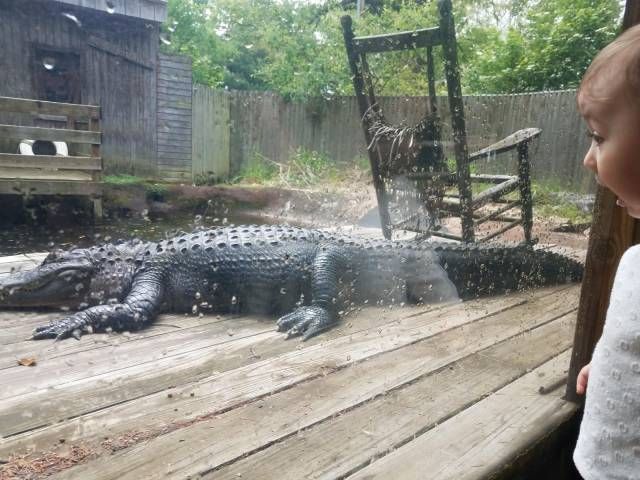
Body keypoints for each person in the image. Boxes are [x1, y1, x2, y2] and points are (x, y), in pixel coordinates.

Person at [573, 23, 640, 480]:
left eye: (598, 137)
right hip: (596, 462)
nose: (588, 158)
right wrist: (609, 364)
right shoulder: (633, 259)